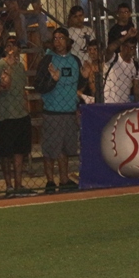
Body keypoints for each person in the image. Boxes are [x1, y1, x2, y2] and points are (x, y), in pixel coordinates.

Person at [33, 28, 87, 193]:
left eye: (61, 38)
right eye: (55, 38)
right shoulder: (47, 60)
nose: (57, 41)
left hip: (69, 111)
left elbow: (77, 85)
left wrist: (84, 77)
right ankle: (50, 181)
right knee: (50, 149)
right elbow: (39, 86)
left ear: (68, 41)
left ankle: (64, 180)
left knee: (65, 148)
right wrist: (53, 80)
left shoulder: (75, 60)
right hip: (53, 111)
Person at [0, 38, 32, 195]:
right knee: (6, 153)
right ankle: (8, 185)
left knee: (19, 151)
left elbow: (22, 89)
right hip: (6, 114)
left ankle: (18, 184)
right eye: (8, 46)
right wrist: (2, 85)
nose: (11, 49)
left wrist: (26, 105)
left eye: (14, 46)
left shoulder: (20, 66)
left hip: (20, 113)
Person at [103, 38, 139, 103]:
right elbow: (109, 49)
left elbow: (136, 86)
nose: (129, 50)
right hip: (108, 102)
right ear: (121, 47)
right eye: (126, 47)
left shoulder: (136, 65)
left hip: (124, 103)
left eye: (132, 48)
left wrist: (138, 103)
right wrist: (127, 36)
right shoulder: (114, 58)